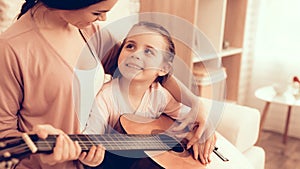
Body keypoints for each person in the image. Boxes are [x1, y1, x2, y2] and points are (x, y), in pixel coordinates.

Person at [0, 0, 214, 168]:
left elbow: (146, 69)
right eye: (97, 11)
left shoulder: (88, 30)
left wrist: (196, 106)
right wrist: (45, 157)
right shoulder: (11, 49)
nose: (102, 18)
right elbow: (4, 135)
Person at [83, 21, 217, 168]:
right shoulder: (106, 97)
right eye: (130, 46)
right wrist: (89, 157)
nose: (135, 54)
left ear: (164, 68)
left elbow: (190, 119)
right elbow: (90, 138)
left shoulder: (159, 95)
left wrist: (200, 134)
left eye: (148, 51)